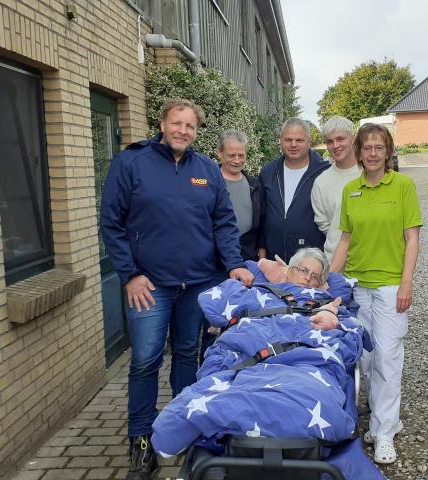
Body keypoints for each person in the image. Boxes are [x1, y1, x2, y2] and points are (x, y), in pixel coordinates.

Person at [100, 98, 254, 480]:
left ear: (196, 131)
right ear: (162, 124)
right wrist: (129, 274)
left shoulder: (207, 170)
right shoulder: (131, 163)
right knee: (145, 361)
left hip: (197, 284)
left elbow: (223, 222)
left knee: (187, 354)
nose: (183, 131)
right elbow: (111, 224)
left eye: (190, 126)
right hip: (149, 286)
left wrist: (233, 263)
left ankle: (184, 429)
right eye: (176, 123)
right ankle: (141, 444)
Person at [330, 123, 422, 465]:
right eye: (366, 147)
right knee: (366, 360)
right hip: (358, 286)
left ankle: (384, 433)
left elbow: (412, 239)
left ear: (388, 152)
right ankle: (387, 420)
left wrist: (407, 283)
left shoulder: (403, 186)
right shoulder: (350, 190)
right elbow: (345, 240)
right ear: (359, 152)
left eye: (378, 147)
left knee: (387, 359)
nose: (372, 153)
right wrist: (329, 281)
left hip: (390, 286)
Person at [259, 117, 330, 262]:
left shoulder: (324, 173)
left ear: (309, 142)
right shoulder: (268, 173)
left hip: (311, 263)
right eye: (288, 140)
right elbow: (261, 217)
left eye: (299, 140)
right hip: (275, 261)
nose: (293, 144)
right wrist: (262, 258)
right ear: (280, 141)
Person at [311, 116, 361, 261]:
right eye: (330, 141)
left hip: (369, 260)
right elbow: (324, 225)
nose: (335, 145)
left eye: (340, 139)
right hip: (335, 261)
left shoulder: (369, 174)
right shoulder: (321, 182)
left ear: (353, 139)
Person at [216, 129, 262, 261]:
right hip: (216, 257)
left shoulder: (254, 185)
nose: (237, 160)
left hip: (247, 256)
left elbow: (262, 223)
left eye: (241, 155)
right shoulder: (209, 183)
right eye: (232, 155)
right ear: (220, 153)